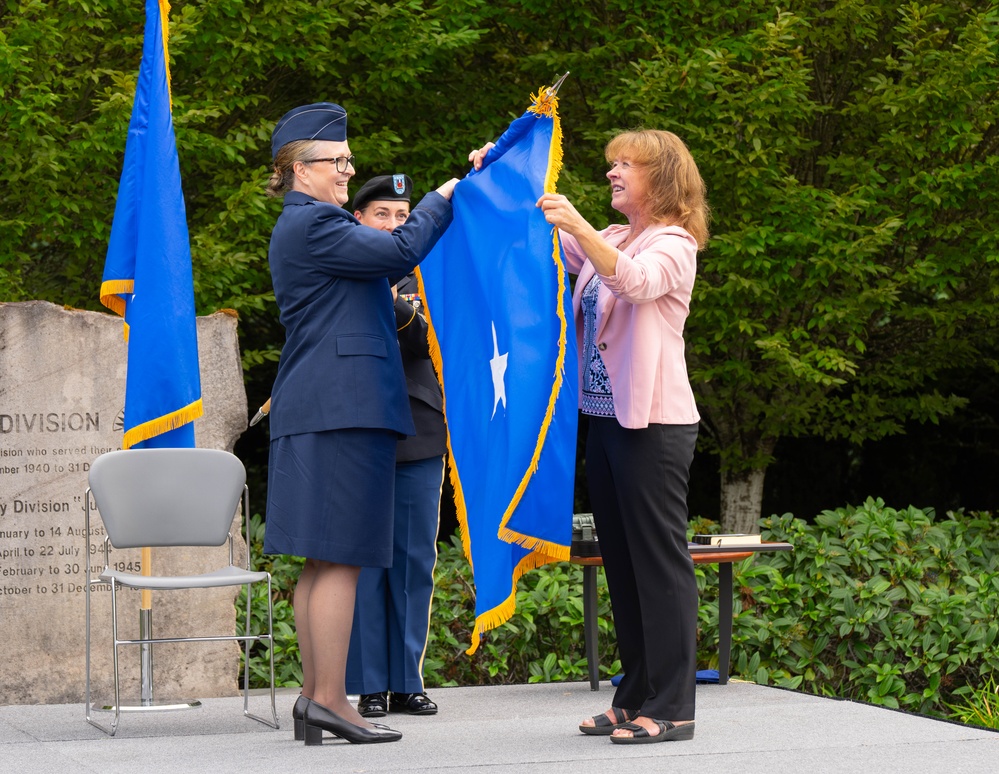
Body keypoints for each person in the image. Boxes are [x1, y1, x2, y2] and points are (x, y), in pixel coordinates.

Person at [473, 129, 708, 744]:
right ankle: (633, 696)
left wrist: (577, 225)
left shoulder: (674, 243)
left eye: (624, 165)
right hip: (603, 421)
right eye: (612, 165)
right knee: (624, 565)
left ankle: (675, 706)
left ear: (661, 179)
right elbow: (535, 242)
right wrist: (498, 177)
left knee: (659, 563)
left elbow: (634, 282)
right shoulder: (610, 238)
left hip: (654, 425)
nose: (612, 174)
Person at [264, 102, 458, 746]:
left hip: (325, 409)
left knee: (324, 561)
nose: (348, 170)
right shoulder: (314, 223)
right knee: (342, 561)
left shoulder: (308, 225)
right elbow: (401, 247)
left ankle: (320, 700)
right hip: (340, 410)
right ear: (299, 168)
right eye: (337, 161)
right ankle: (330, 701)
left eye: (348, 159)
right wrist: (443, 196)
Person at [344, 174, 446, 718]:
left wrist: (398, 301)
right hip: (359, 428)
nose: (393, 225)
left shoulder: (425, 273)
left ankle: (408, 679)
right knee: (365, 560)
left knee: (412, 558)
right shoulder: (339, 265)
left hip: (418, 426)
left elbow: (419, 338)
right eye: (381, 214)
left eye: (403, 217)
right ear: (358, 219)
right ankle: (369, 683)